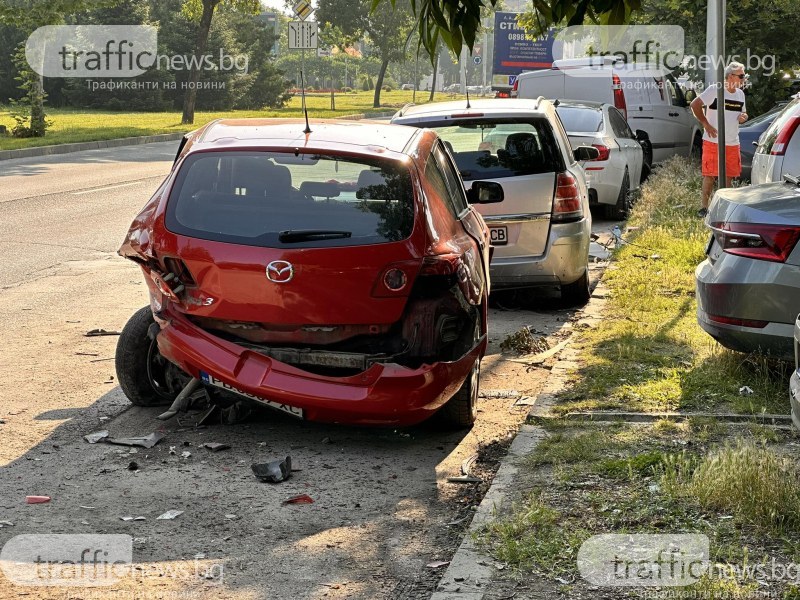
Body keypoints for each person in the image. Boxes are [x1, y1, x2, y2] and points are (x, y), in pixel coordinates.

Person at [690, 61, 749, 217]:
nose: (744, 79)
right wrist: (706, 124)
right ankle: (704, 208)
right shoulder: (715, 90)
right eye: (741, 76)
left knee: (728, 177)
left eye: (744, 76)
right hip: (712, 141)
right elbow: (695, 104)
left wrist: (744, 117)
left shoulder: (740, 94)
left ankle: (722, 208)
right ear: (730, 76)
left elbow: (743, 114)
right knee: (709, 175)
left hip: (732, 141)